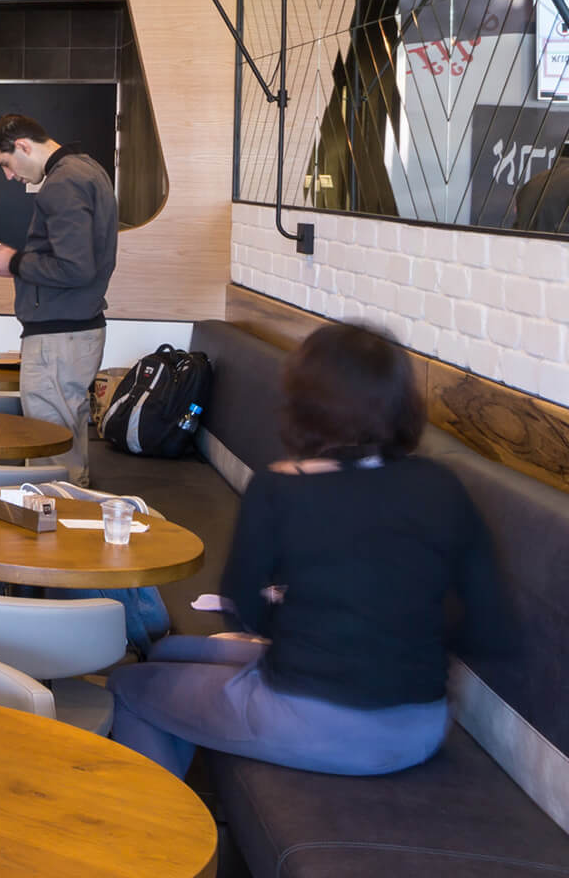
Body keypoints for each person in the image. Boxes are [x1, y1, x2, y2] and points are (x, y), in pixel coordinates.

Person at [107, 323, 511, 777]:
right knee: (168, 653)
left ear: (305, 402)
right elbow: (490, 628)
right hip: (422, 726)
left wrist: (311, 618)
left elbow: (246, 612)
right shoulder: (443, 485)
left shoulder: (283, 487)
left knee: (129, 684)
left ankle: (158, 842)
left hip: (314, 722)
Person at [0, 113, 117, 486]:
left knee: (48, 445)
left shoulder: (63, 182)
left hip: (59, 336)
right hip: (74, 330)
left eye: (5, 164)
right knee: (65, 443)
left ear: (23, 146)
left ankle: (47, 533)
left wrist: (15, 261)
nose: (9, 176)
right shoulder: (87, 170)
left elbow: (76, 267)